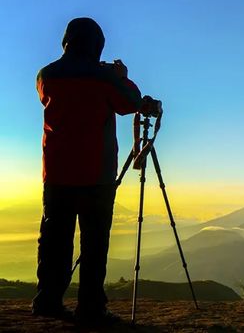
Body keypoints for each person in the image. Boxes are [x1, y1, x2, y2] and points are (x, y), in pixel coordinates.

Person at [32, 17, 157, 324]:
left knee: (54, 239)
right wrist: (122, 76)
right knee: (94, 241)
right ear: (97, 44)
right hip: (96, 175)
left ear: (66, 41)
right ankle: (90, 308)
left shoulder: (46, 75)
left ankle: (47, 301)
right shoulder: (103, 78)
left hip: (57, 172)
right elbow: (130, 103)